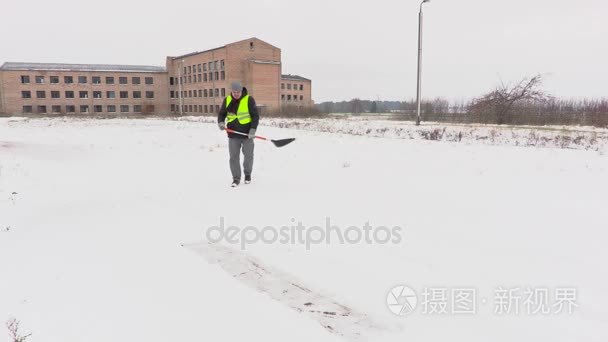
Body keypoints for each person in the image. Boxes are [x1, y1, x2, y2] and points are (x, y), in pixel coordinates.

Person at [217, 81, 259, 187]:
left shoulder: (249, 99)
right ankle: (236, 178)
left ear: (241, 90)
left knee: (248, 156)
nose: (236, 94)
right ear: (232, 91)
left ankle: (248, 174)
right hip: (232, 135)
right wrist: (221, 122)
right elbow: (221, 114)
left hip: (247, 135)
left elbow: (255, 116)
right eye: (234, 92)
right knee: (233, 158)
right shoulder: (227, 100)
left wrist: (253, 130)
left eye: (238, 92)